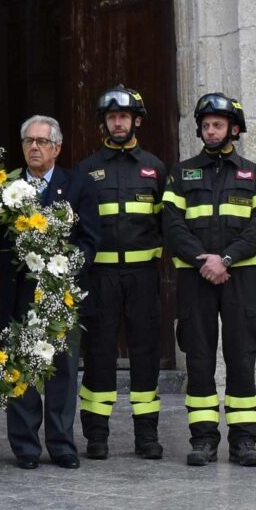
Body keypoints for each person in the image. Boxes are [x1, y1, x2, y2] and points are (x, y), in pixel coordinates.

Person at [161, 92, 256, 468]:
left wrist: (225, 259)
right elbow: (173, 226)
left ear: (234, 129)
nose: (210, 131)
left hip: (238, 278)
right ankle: (203, 439)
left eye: (218, 125)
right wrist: (204, 261)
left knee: (241, 356)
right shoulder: (180, 174)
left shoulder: (255, 175)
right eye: (206, 125)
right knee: (199, 358)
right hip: (196, 279)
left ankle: (244, 441)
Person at [71, 85, 167, 461]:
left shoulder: (155, 168)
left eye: (124, 117)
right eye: (111, 117)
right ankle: (97, 435)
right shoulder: (86, 170)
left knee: (145, 353)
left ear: (136, 121)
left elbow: (167, 222)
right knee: (98, 354)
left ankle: (147, 436)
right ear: (104, 123)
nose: (118, 122)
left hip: (143, 278)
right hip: (100, 279)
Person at [0, 115, 83, 470]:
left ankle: (62, 445)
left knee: (62, 369)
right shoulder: (6, 186)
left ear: (57, 148)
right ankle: (25, 447)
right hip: (19, 293)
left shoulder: (76, 185)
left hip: (60, 293)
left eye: (41, 142)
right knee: (20, 370)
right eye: (28, 141)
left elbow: (90, 237)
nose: (34, 147)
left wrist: (70, 266)